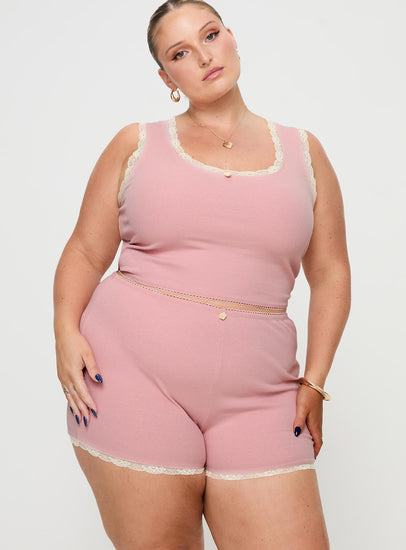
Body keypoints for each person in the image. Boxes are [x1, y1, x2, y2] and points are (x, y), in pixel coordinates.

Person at [53, 1, 351, 548]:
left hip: (261, 393)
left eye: (210, 35)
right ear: (167, 78)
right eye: (181, 53)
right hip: (129, 380)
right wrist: (64, 332)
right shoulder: (136, 144)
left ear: (231, 36)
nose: (204, 56)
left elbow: (331, 273)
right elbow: (85, 251)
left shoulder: (305, 152)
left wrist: (314, 380)